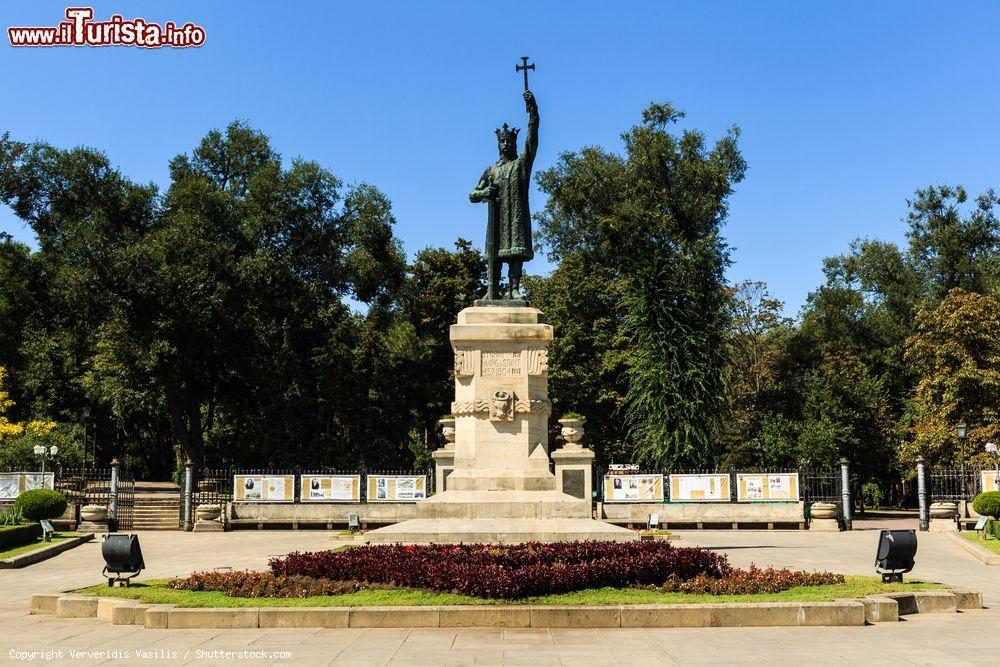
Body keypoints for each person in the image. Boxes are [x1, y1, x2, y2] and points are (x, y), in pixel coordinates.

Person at [470, 90, 539, 300]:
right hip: (498, 221)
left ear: (514, 143)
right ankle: (491, 290)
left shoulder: (521, 164)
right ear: (498, 144)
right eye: (502, 141)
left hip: (515, 217)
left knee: (515, 250)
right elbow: (472, 194)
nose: (506, 144)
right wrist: (484, 192)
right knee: (495, 254)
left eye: (509, 141)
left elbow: (532, 140)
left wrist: (533, 111)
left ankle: (514, 288)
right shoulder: (491, 170)